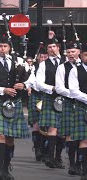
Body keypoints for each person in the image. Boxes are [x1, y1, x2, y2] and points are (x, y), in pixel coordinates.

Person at [0, 35, 30, 180]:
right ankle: (0, 168)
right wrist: (3, 90)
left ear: (9, 48)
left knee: (10, 138)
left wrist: (24, 85)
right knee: (0, 135)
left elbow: (32, 78)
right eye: (0, 46)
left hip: (15, 102)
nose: (2, 49)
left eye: (5, 46)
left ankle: (6, 167)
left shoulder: (19, 61)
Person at [36, 33, 66, 169]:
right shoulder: (43, 65)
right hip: (51, 97)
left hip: (66, 98)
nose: (52, 49)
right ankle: (50, 157)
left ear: (58, 47)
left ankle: (58, 156)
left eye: (54, 46)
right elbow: (39, 84)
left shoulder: (66, 61)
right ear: (47, 49)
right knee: (52, 129)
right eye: (49, 47)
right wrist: (53, 88)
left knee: (63, 130)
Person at [55, 42, 81, 175]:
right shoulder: (62, 68)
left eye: (73, 51)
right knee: (70, 135)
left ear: (79, 52)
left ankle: (80, 163)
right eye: (69, 52)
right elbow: (59, 87)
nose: (71, 54)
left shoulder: (84, 66)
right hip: (70, 103)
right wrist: (74, 94)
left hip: (83, 104)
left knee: (82, 136)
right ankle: (72, 164)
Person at [68, 43, 87, 180]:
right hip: (82, 107)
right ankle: (84, 171)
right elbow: (74, 91)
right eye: (86, 55)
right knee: (84, 140)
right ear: (81, 55)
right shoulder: (75, 70)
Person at [27, 47, 48, 162]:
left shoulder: (51, 67)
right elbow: (30, 81)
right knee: (36, 125)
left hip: (47, 96)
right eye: (41, 57)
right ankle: (38, 149)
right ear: (38, 57)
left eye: (45, 56)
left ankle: (45, 149)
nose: (43, 58)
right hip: (36, 95)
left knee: (46, 124)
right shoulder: (34, 68)